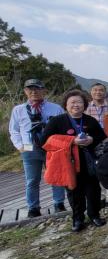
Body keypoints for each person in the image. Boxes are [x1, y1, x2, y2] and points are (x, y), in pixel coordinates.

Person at [42, 89, 107, 231]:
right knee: (73, 191)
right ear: (65, 105)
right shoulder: (57, 121)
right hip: (68, 163)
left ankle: (94, 215)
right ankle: (78, 219)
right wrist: (71, 141)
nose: (76, 105)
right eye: (72, 102)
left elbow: (102, 138)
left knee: (93, 190)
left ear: (84, 104)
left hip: (89, 162)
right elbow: (44, 141)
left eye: (79, 102)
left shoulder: (90, 120)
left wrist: (91, 139)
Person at [9, 79, 66, 217]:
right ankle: (33, 207)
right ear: (25, 91)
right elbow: (14, 130)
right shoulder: (18, 110)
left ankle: (59, 203)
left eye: (37, 88)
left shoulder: (55, 108)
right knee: (32, 179)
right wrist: (20, 146)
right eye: (30, 89)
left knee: (55, 176)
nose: (34, 92)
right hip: (29, 147)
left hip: (51, 147)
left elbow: (62, 127)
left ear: (44, 90)